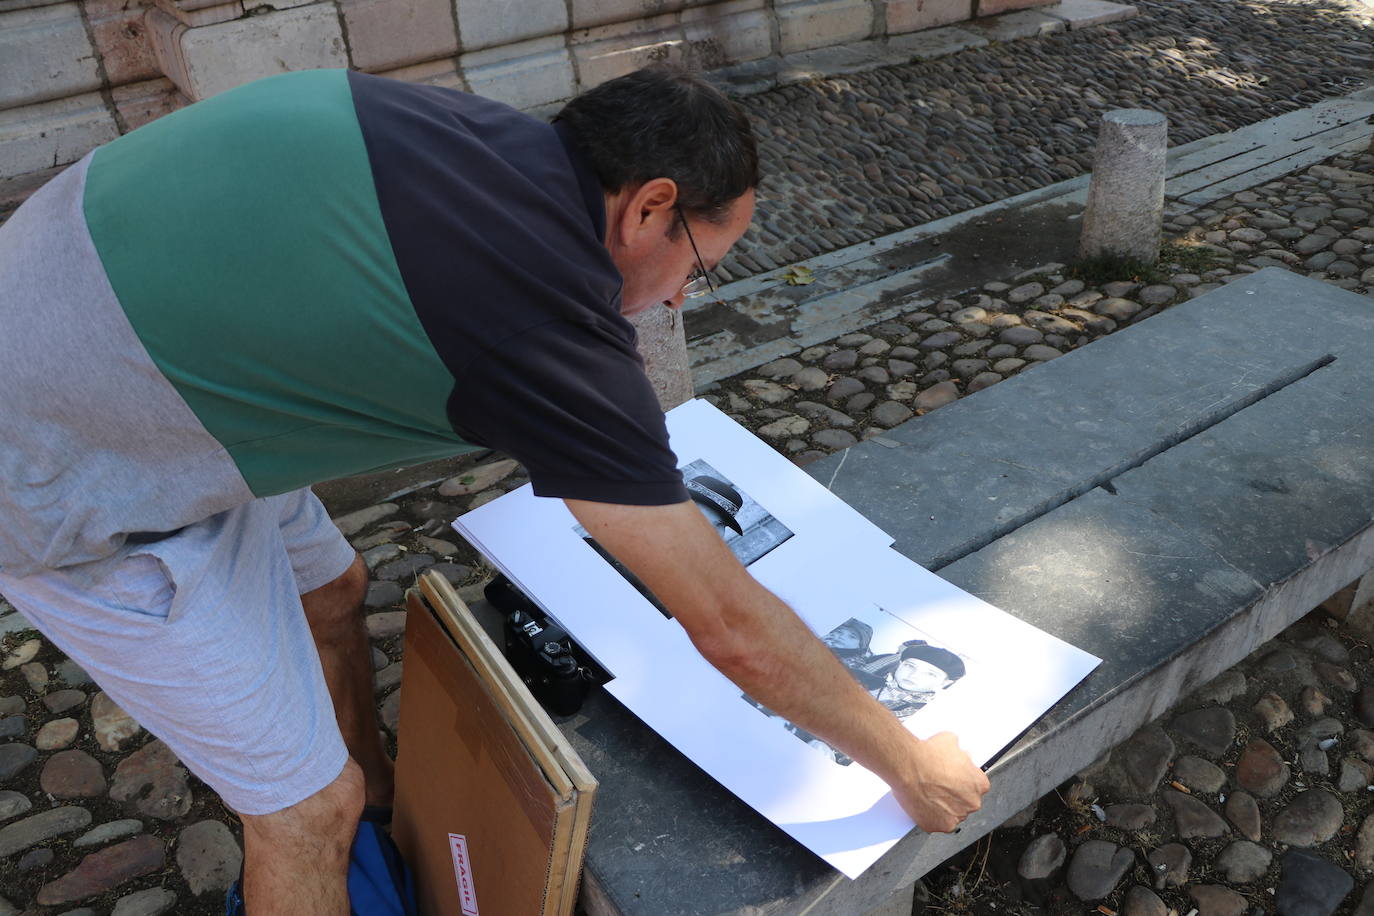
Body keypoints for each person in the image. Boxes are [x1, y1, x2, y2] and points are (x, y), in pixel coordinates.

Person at [0, 63, 987, 914]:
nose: (684, 296)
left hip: (73, 290)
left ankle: (384, 828)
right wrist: (909, 763)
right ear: (649, 207)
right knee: (303, 810)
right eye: (701, 265)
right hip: (58, 460)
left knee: (331, 589)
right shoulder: (545, 327)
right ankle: (342, 825)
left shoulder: (478, 134)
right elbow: (726, 624)